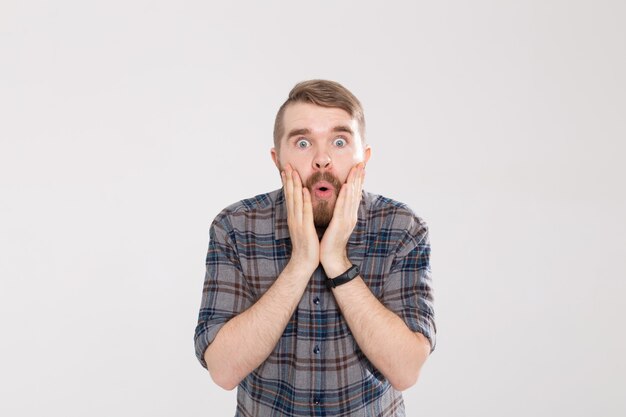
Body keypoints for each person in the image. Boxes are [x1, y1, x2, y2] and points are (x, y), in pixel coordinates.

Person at [194, 79, 436, 417]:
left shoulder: (402, 227)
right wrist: (301, 263)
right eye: (303, 142)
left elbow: (406, 370)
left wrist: (336, 260)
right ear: (278, 160)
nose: (322, 160)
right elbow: (222, 370)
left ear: (362, 159)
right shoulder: (235, 227)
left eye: (339, 141)